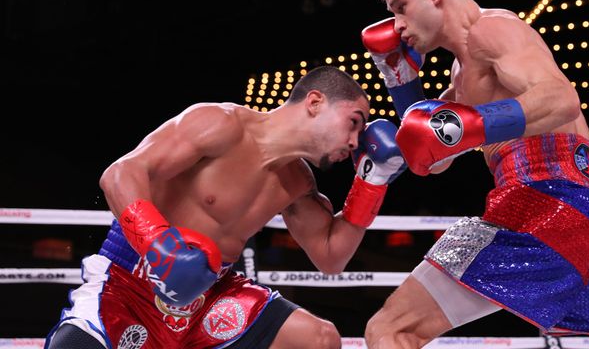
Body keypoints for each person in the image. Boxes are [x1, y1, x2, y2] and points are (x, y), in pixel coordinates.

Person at [360, 0, 589, 349]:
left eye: (400, 6)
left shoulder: (493, 29)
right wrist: (402, 83)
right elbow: (431, 161)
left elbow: (561, 99)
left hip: (547, 203)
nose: (396, 25)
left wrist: (474, 125)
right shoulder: (462, 73)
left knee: (389, 330)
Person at [44, 66, 407, 349]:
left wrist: (371, 183)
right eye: (354, 123)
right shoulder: (219, 124)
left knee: (318, 339)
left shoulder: (298, 182)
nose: (355, 141)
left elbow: (331, 256)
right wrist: (160, 245)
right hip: (131, 285)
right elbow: (121, 173)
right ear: (314, 103)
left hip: (210, 300)